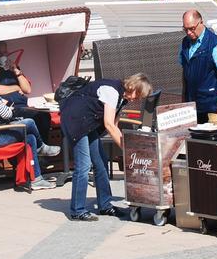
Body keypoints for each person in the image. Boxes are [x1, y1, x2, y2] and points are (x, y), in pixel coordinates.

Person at [60, 72, 152, 220]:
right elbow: (108, 124)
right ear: (132, 86)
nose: (137, 99)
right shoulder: (112, 91)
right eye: (138, 94)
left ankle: (105, 205)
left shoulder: (123, 97)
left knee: (101, 162)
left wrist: (126, 146)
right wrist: (127, 149)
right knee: (83, 166)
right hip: (75, 121)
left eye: (140, 97)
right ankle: (77, 210)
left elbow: (115, 124)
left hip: (87, 123)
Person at [0, 60, 60, 190]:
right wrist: (10, 109)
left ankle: (36, 179)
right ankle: (41, 148)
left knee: (30, 138)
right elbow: (6, 114)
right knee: (29, 123)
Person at [179, 10, 217, 121]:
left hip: (211, 104)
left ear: (201, 23)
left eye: (192, 28)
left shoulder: (215, 44)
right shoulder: (185, 43)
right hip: (192, 104)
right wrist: (184, 96)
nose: (188, 32)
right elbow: (185, 70)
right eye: (185, 29)